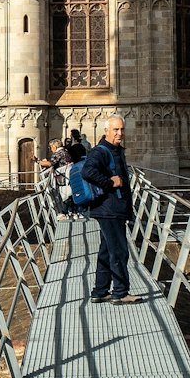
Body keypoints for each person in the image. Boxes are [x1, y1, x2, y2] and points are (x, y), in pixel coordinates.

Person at [81, 115, 137, 303]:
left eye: (122, 129)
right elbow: (87, 171)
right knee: (119, 251)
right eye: (116, 130)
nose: (120, 133)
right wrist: (109, 183)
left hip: (112, 209)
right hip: (109, 209)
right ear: (106, 131)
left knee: (106, 251)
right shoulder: (101, 151)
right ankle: (120, 293)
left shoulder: (114, 150)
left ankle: (100, 291)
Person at [38, 138, 73, 218]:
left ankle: (63, 213)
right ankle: (71, 212)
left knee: (63, 195)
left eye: (51, 147)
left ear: (55, 146)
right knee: (69, 194)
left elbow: (51, 163)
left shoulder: (57, 153)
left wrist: (39, 162)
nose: (51, 149)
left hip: (62, 177)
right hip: (68, 175)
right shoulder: (65, 152)